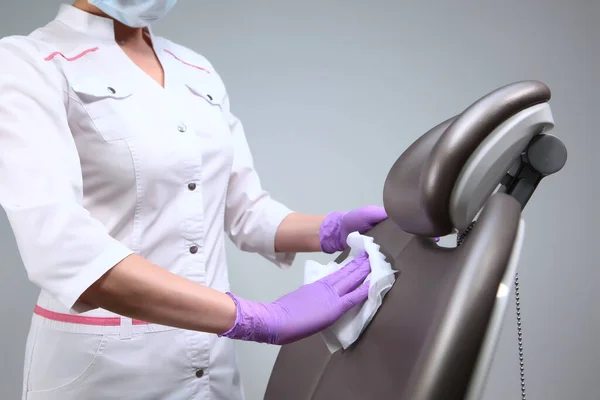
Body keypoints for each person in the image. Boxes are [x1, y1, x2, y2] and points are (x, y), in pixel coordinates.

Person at [0, 1, 389, 399]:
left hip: (212, 367)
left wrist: (332, 229)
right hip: (106, 372)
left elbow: (246, 211)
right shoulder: (29, 63)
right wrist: (258, 319)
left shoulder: (194, 69)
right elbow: (63, 248)